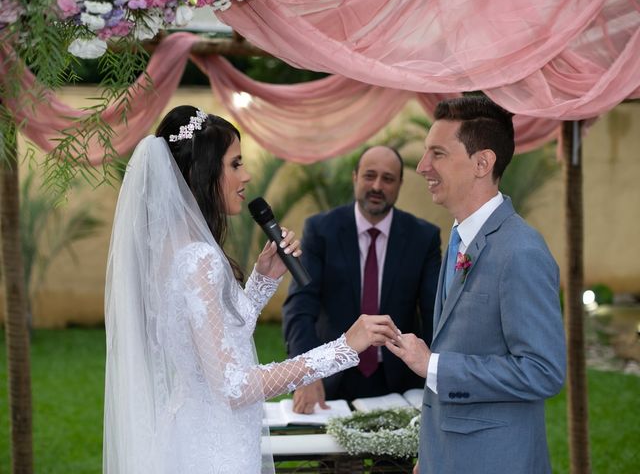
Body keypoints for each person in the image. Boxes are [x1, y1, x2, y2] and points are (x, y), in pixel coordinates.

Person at [102, 105, 401, 474]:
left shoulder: (169, 251)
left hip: (190, 433)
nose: (247, 175)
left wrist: (262, 280)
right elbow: (233, 384)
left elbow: (215, 342)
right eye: (235, 164)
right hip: (214, 453)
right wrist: (342, 349)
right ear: (201, 173)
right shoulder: (199, 260)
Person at [386, 97, 566, 474]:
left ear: (482, 163)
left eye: (437, 154)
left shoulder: (520, 251)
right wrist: (433, 454)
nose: (422, 167)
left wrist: (433, 365)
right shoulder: (456, 240)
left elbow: (542, 371)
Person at [283, 145, 441, 413]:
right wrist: (307, 373)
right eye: (369, 175)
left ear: (400, 184)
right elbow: (300, 307)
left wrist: (438, 377)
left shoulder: (422, 238)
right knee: (337, 455)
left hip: (400, 380)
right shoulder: (321, 231)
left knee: (393, 456)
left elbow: (434, 316)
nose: (377, 186)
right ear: (355, 177)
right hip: (332, 376)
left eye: (388, 179)